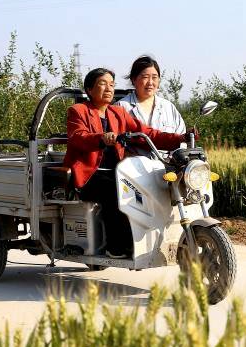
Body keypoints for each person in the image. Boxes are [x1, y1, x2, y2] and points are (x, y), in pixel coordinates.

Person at [63, 67, 192, 258]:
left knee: (141, 190)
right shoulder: (78, 110)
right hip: (90, 175)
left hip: (117, 172)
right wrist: (101, 138)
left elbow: (147, 133)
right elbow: (78, 137)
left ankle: (146, 240)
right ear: (89, 90)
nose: (109, 89)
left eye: (112, 85)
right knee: (115, 192)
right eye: (102, 84)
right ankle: (116, 247)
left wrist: (179, 137)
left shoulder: (118, 113)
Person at [116, 55, 186, 137]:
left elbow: (182, 138)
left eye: (154, 77)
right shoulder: (121, 107)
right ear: (133, 79)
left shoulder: (169, 107)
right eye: (145, 77)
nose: (150, 82)